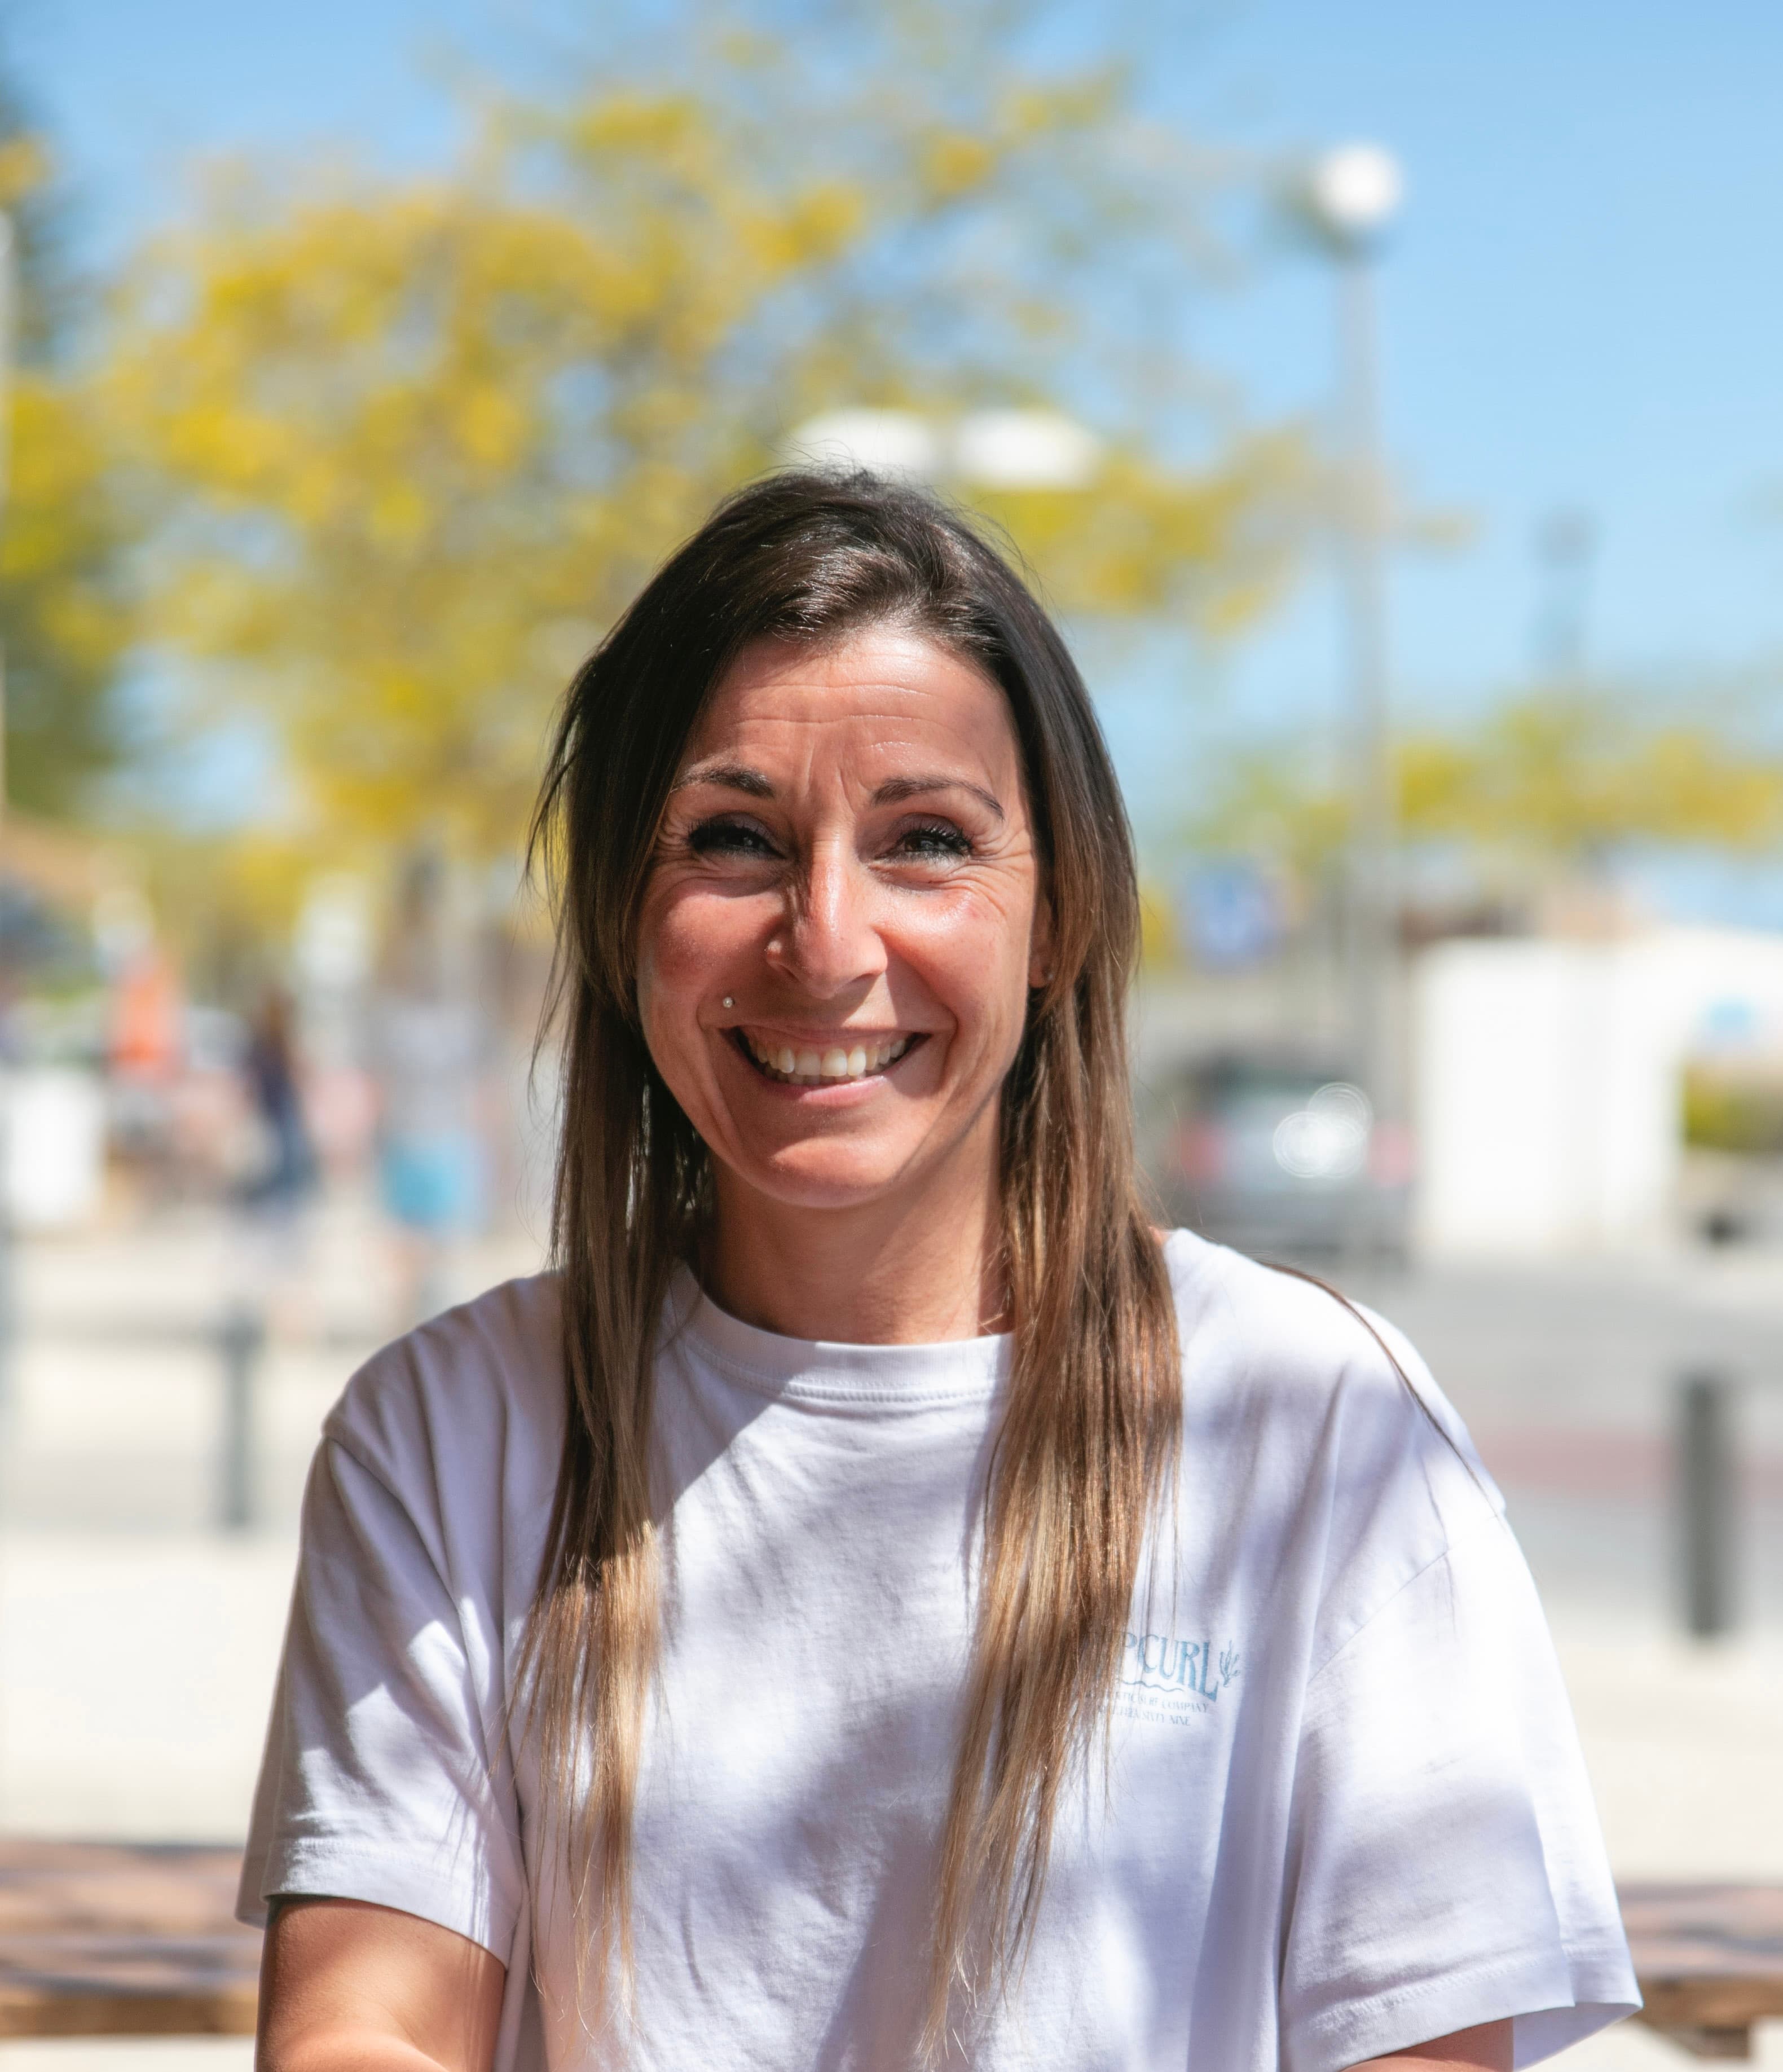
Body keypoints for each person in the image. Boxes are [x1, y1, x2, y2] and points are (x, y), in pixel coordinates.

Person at [240, 473, 1639, 2072]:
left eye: (925, 840)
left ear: (1059, 916)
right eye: (733, 839)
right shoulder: (449, 1429)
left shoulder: (1312, 1418)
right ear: (624, 916)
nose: (825, 940)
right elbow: (365, 2028)